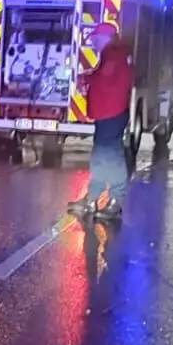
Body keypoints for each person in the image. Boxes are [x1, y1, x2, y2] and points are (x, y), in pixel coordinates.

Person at [69, 22, 134, 223]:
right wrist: (88, 78)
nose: (93, 43)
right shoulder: (116, 53)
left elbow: (104, 78)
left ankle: (115, 201)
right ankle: (91, 200)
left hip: (110, 114)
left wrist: (85, 81)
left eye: (95, 39)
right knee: (101, 158)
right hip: (110, 114)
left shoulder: (113, 55)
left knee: (110, 158)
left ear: (104, 38)